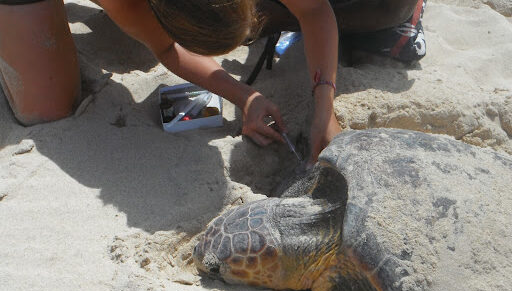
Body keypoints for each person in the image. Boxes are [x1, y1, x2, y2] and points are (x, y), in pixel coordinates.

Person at [0, 0, 425, 164]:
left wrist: (322, 106)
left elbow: (314, 11)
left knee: (386, 6)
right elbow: (166, 51)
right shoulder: (126, 4)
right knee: (45, 106)